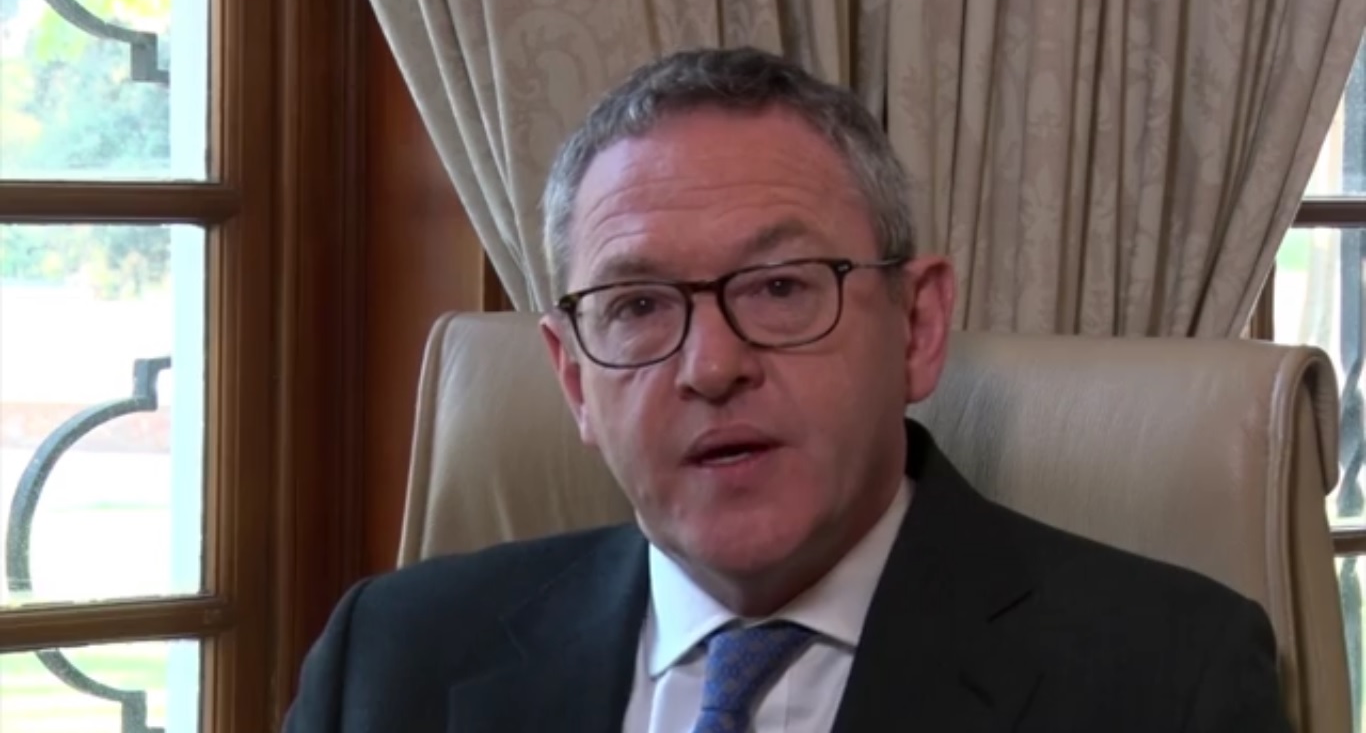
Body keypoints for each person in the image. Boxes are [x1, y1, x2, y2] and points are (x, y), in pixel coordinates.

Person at [283, 47, 1290, 732]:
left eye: (778, 288)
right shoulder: (393, 661)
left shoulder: (1166, 677)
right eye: (638, 306)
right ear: (573, 377)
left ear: (918, 326)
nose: (711, 366)